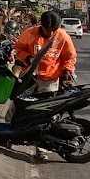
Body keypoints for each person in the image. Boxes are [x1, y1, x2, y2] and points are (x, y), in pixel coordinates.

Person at [14, 10, 77, 160]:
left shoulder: (62, 36)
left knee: (46, 116)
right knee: (16, 108)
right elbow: (18, 49)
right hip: (29, 78)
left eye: (54, 30)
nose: (51, 32)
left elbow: (70, 56)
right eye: (48, 30)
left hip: (49, 81)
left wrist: (68, 70)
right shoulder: (30, 33)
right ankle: (9, 138)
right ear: (41, 26)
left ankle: (42, 149)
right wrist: (27, 57)